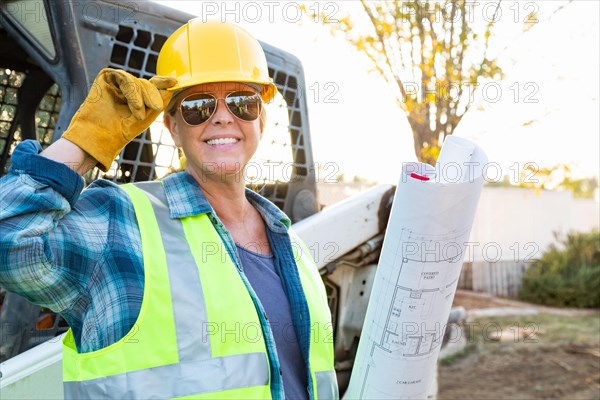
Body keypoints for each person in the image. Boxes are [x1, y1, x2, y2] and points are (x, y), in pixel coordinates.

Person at [0, 19, 338, 400]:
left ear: (261, 119)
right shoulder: (121, 225)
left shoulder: (294, 248)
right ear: (173, 127)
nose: (223, 116)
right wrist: (84, 141)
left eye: (242, 102)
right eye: (198, 105)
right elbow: (9, 236)